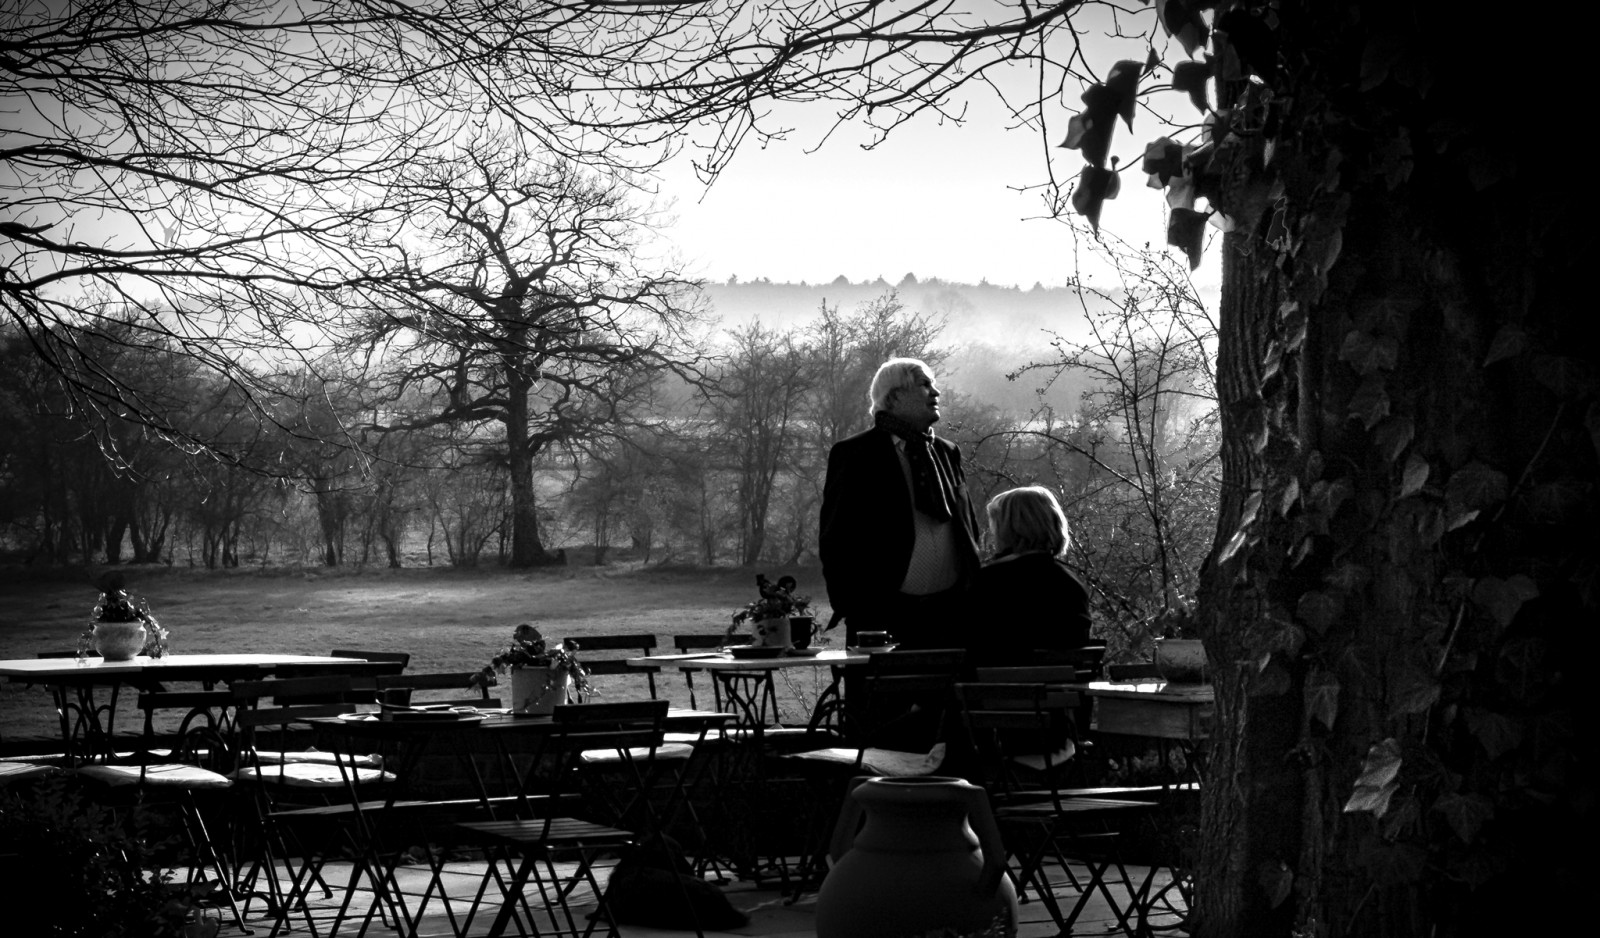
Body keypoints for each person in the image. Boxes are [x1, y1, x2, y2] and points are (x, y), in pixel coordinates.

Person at [819, 357, 982, 649]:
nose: (936, 393)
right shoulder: (856, 455)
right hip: (882, 618)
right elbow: (836, 538)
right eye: (924, 385)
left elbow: (968, 527)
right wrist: (854, 607)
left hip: (950, 617)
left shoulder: (947, 452)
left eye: (934, 385)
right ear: (894, 397)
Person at [966, 485, 1093, 668]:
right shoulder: (1070, 584)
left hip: (1001, 691)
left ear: (1007, 528)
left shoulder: (989, 582)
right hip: (1063, 692)